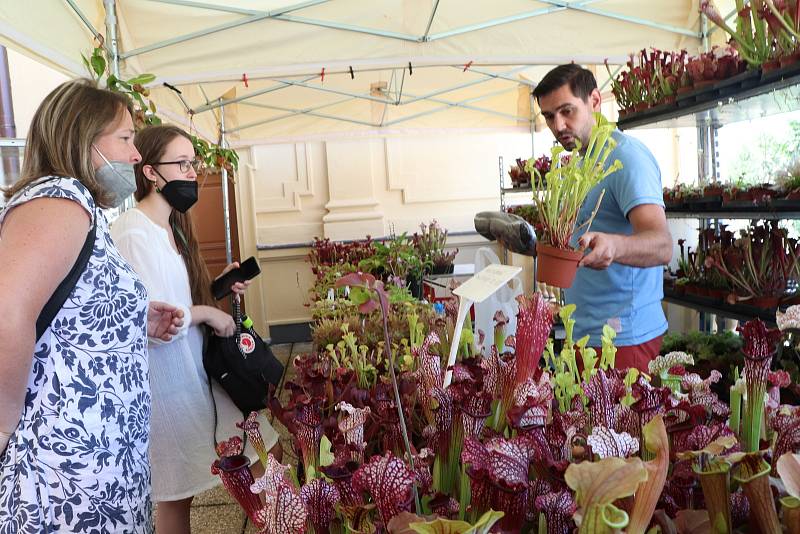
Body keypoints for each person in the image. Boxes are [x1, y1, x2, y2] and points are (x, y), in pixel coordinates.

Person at [0, 79, 184, 531]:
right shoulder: (59, 200)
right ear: (82, 140)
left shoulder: (78, 206)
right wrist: (3, 431)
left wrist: (132, 320)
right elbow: (6, 314)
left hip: (95, 465)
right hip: (62, 470)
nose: (136, 156)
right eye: (125, 139)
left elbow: (65, 314)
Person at [110, 125, 280, 534]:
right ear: (151, 172)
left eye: (193, 163)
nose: (191, 172)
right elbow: (158, 319)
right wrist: (206, 313)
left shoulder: (173, 227)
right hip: (170, 382)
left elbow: (180, 295)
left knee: (263, 458)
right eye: (182, 163)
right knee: (176, 496)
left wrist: (217, 289)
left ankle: (281, 524)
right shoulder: (134, 232)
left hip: (200, 372)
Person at [532, 64, 672, 371]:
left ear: (595, 101)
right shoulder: (581, 162)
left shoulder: (626, 158)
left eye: (567, 111)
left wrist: (615, 246)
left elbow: (662, 245)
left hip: (622, 337)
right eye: (549, 116)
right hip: (585, 333)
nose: (558, 125)